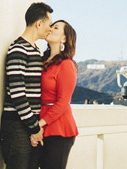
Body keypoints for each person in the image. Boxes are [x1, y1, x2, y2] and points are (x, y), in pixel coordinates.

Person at [0, 2, 53, 169]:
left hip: (28, 126)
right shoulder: (18, 50)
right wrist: (34, 127)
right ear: (39, 23)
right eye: (49, 24)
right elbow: (17, 93)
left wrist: (33, 127)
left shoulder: (35, 51)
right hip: (16, 126)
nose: (50, 29)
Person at [32, 20, 79, 169]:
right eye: (51, 26)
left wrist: (38, 125)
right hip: (40, 124)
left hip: (59, 129)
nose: (51, 29)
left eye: (56, 28)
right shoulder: (42, 61)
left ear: (64, 39)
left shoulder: (66, 64)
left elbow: (63, 102)